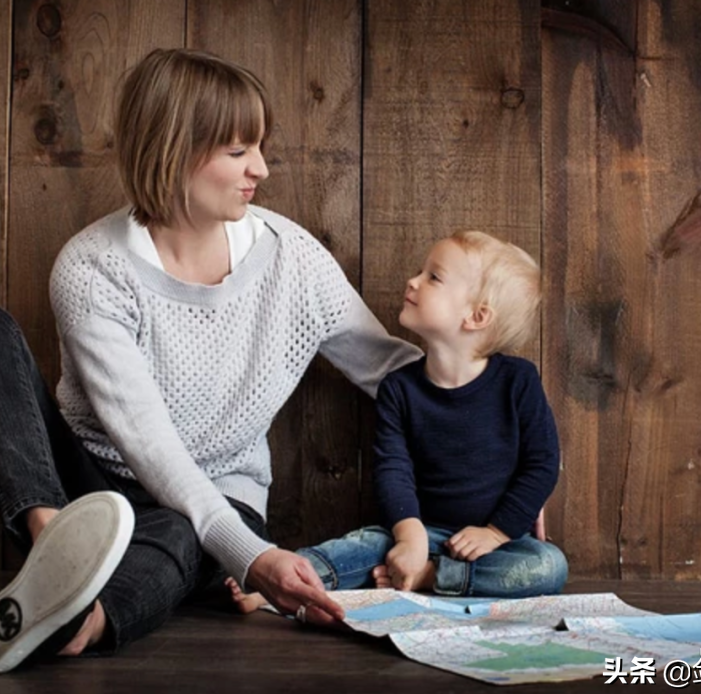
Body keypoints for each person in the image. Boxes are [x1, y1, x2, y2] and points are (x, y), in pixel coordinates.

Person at [0, 47, 421, 675]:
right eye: (239, 150)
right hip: (87, 488)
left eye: (258, 147)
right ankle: (55, 546)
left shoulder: (291, 259)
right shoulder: (91, 268)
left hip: (216, 498)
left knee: (181, 531)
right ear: (176, 149)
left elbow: (391, 370)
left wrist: (504, 444)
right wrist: (254, 560)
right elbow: (148, 442)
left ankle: (80, 619)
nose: (262, 170)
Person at [230, 229, 567, 613]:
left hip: (495, 543)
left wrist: (497, 532)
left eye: (433, 277)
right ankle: (278, 584)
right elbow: (393, 469)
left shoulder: (518, 381)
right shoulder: (400, 389)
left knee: (548, 566)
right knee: (360, 547)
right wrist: (409, 537)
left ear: (476, 316)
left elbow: (541, 463)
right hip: (420, 529)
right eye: (421, 272)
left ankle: (429, 578)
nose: (413, 281)